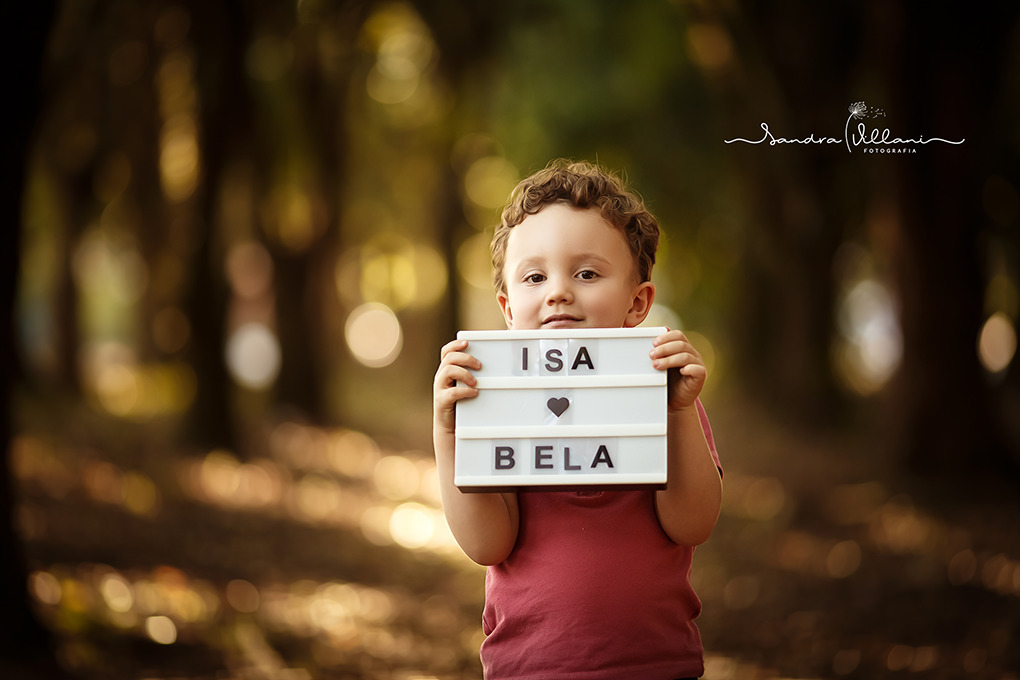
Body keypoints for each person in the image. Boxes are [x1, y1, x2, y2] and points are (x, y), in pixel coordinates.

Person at [433, 159, 723, 679]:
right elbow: (486, 544)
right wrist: (449, 434)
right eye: (535, 276)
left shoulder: (663, 391)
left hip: (658, 666)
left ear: (638, 303)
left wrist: (677, 412)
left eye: (586, 273)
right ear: (507, 306)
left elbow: (692, 522)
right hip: (529, 668)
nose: (558, 291)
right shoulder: (497, 402)